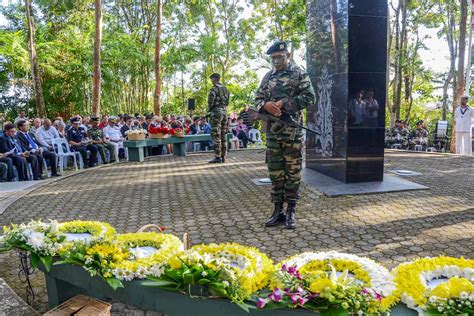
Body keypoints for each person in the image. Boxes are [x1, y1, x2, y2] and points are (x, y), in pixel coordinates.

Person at [255, 40, 315, 229]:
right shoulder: (267, 77)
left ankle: (291, 210)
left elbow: (310, 97)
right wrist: (264, 105)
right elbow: (257, 98)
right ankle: (277, 210)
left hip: (292, 134)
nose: (276, 61)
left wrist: (283, 103)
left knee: (292, 172)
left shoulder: (299, 73)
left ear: (287, 55)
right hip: (272, 133)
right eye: (273, 58)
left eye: (279, 57)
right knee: (275, 172)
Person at [208, 73, 230, 163]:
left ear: (214, 79)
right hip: (225, 111)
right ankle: (223, 156)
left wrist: (210, 110)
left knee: (216, 134)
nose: (211, 81)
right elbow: (227, 102)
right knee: (223, 134)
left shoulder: (214, 89)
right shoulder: (225, 89)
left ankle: (217, 156)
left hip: (217, 112)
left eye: (211, 79)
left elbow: (210, 102)